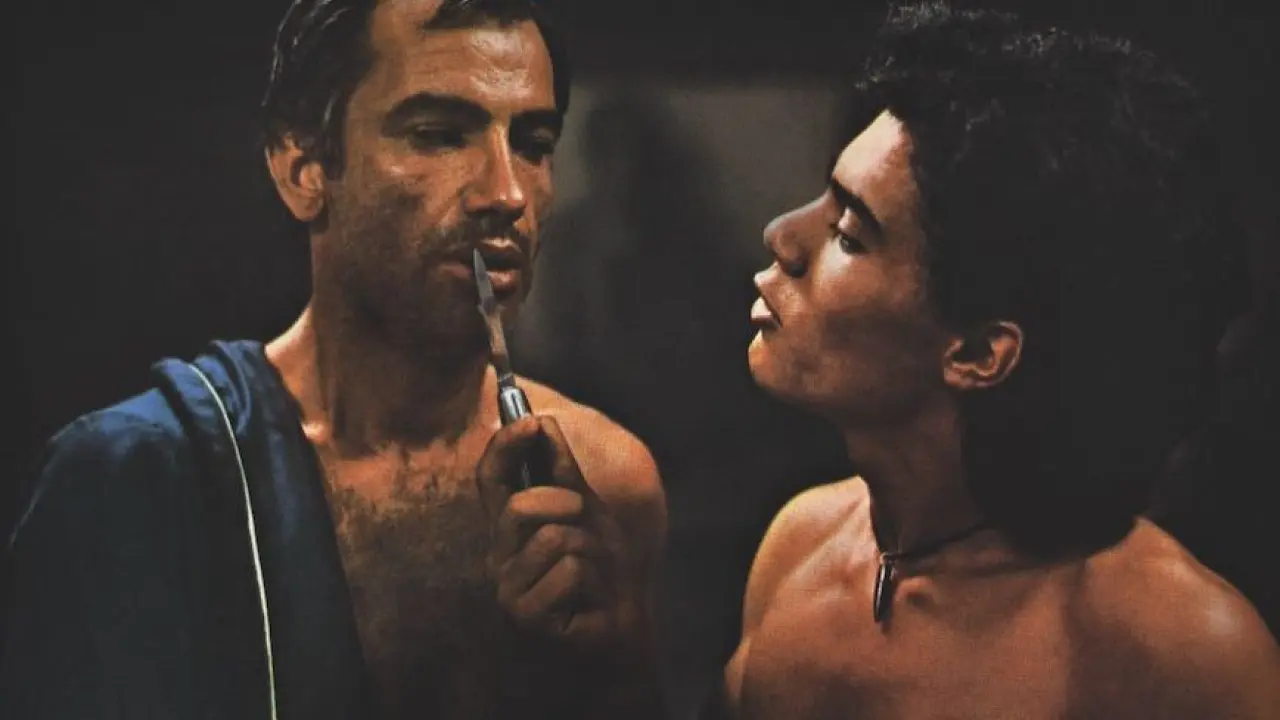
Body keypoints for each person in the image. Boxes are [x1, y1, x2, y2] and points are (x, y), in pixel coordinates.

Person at [1, 1, 667, 719]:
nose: (506, 193)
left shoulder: (603, 482)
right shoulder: (138, 477)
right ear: (304, 169)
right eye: (438, 135)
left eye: (534, 144)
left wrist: (618, 673)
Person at [709, 2, 1280, 717]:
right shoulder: (800, 541)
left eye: (850, 233)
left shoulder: (1185, 652)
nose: (781, 236)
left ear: (979, 352)